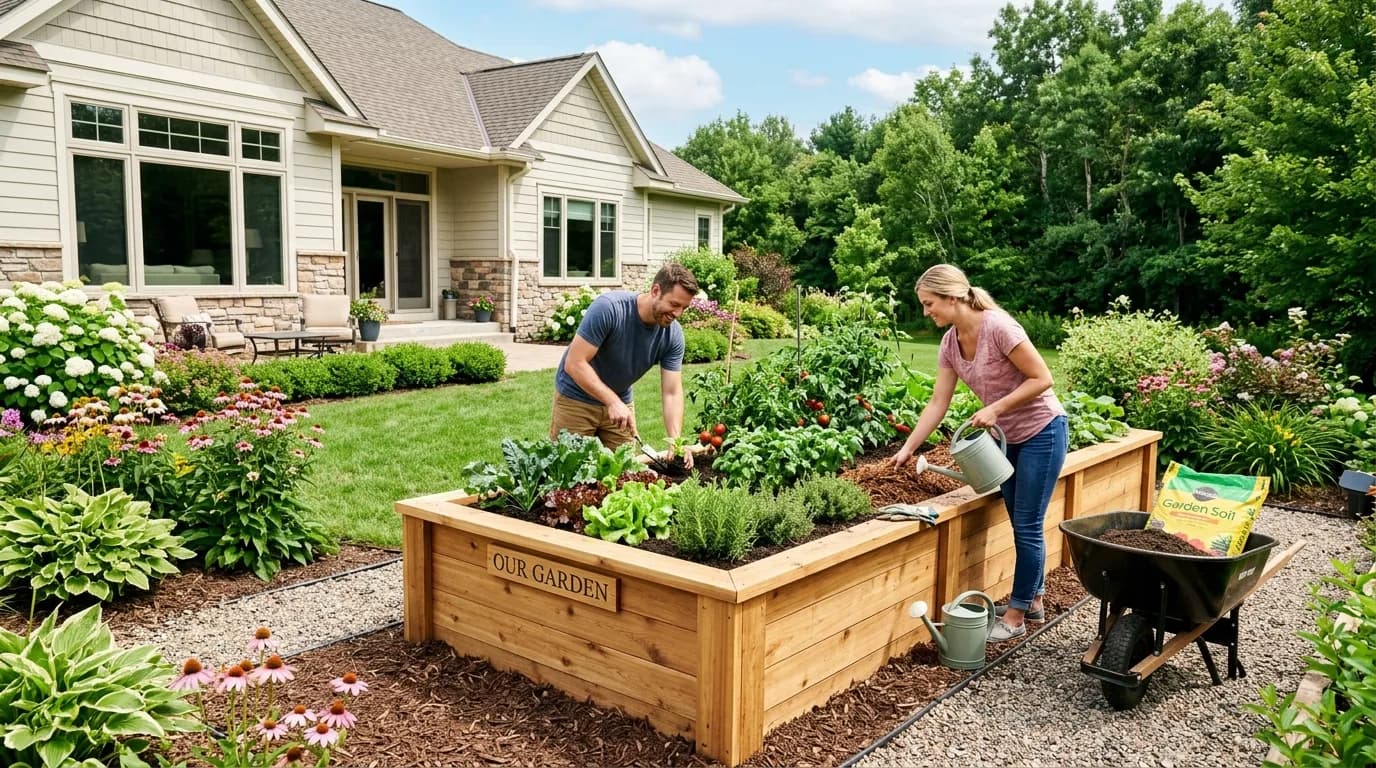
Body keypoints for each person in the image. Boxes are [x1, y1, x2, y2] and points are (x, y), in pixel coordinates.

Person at [891, 264, 1067, 641]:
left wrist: (996, 408)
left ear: (953, 297)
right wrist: (908, 448)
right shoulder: (950, 344)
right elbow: (939, 401)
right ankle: (1032, 600)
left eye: (929, 303)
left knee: (1028, 525)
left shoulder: (999, 327)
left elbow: (1043, 379)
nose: (926, 312)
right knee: (1022, 523)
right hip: (1007, 442)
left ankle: (1017, 615)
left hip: (1043, 433)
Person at [551, 263, 697, 468]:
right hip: (577, 398)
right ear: (656, 290)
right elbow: (574, 363)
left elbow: (672, 392)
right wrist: (611, 401)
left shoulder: (673, 335)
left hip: (620, 402)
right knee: (568, 472)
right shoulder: (609, 308)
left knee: (625, 471)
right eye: (674, 304)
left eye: (684, 307)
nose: (678, 313)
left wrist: (676, 440)